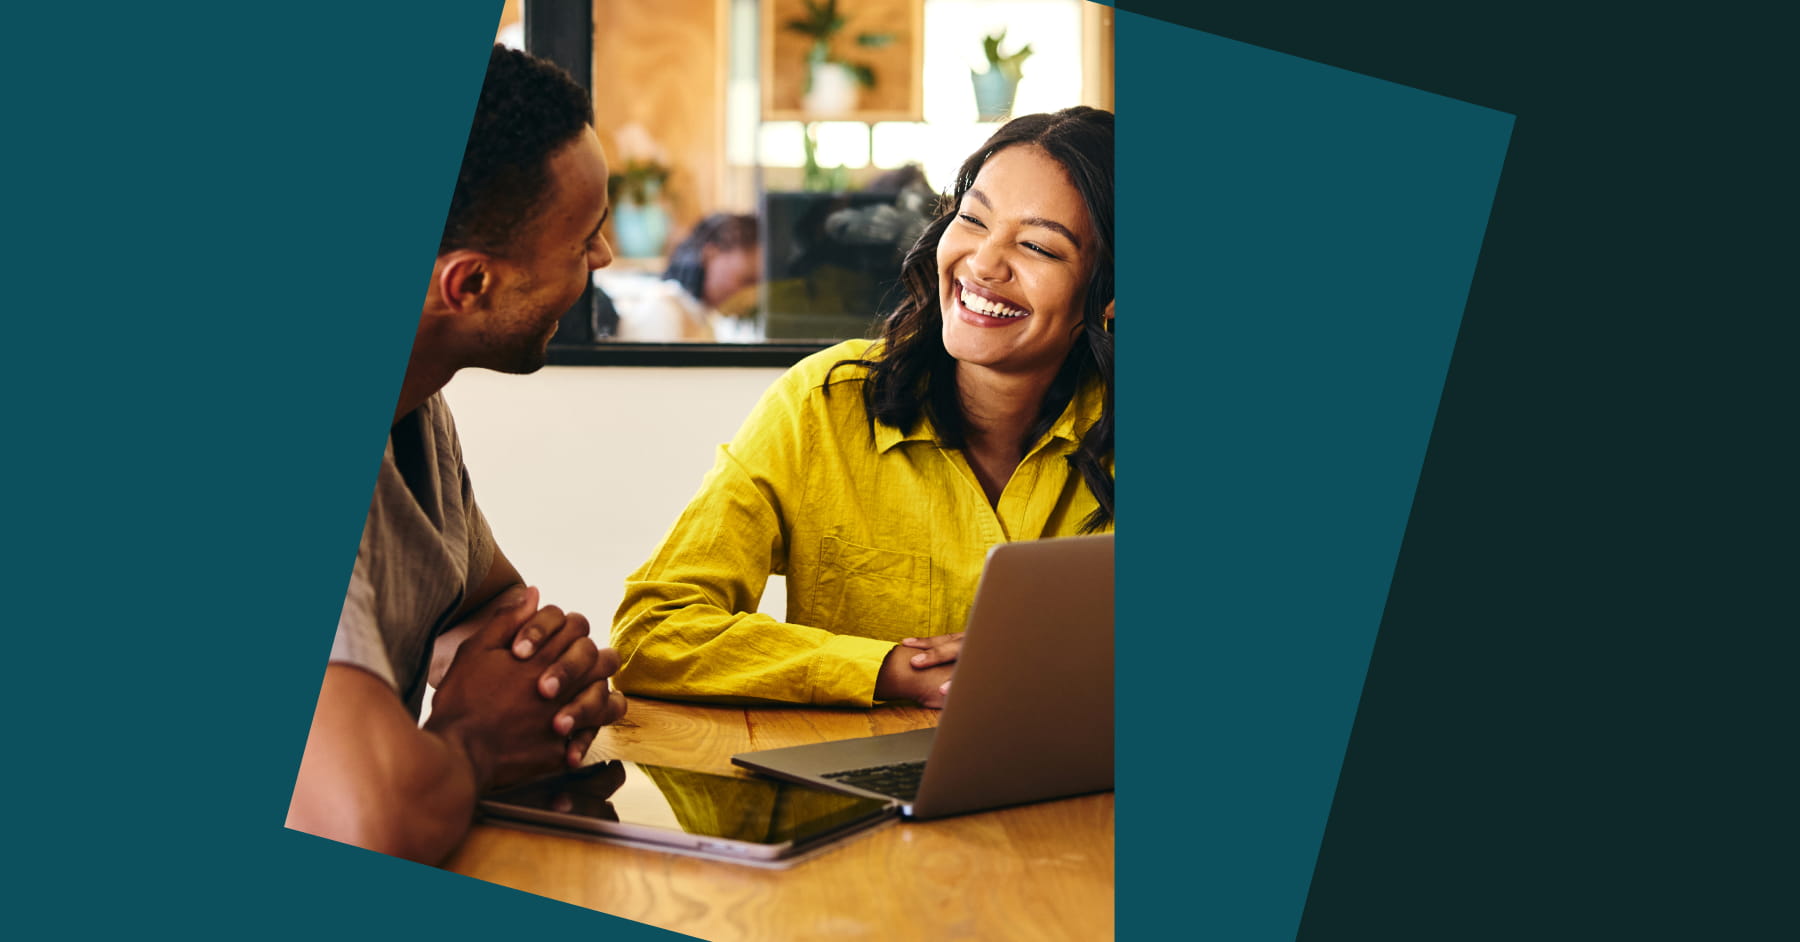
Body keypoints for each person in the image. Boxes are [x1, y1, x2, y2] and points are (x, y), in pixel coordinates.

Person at [611, 107, 1113, 708]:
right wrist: (884, 670)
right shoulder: (825, 402)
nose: (982, 263)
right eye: (973, 220)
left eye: (1037, 246)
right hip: (850, 795)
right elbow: (650, 635)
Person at [287, 46, 629, 865]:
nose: (605, 258)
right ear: (468, 284)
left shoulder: (418, 414)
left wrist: (536, 681)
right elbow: (367, 821)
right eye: (584, 239)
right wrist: (476, 738)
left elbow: (492, 617)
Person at [612, 212, 762, 342]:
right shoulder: (663, 309)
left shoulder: (703, 317)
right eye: (747, 280)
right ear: (711, 254)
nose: (751, 295)